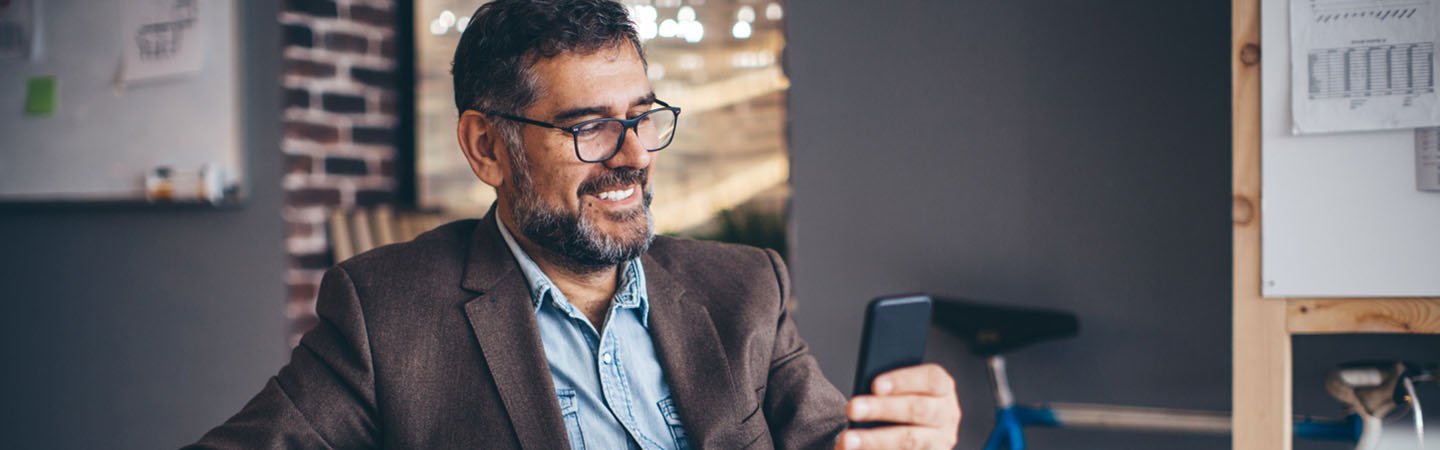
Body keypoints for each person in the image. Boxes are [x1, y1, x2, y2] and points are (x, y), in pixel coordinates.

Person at [187, 1, 959, 448]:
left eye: (641, 117)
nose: (632, 156)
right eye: (589, 126)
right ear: (487, 147)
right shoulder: (386, 314)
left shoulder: (747, 288)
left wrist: (910, 431)